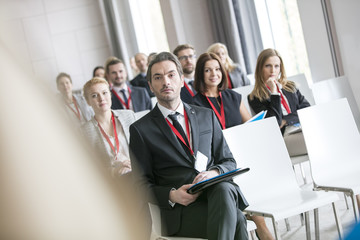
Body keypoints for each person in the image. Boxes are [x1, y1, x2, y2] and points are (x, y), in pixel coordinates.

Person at [130, 52, 249, 239]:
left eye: (171, 75)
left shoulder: (206, 115)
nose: (166, 82)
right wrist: (172, 195)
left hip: (215, 196)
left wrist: (214, 173)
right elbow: (139, 185)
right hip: (179, 211)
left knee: (224, 189)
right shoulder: (140, 130)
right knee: (238, 220)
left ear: (182, 79)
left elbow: (228, 160)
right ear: (151, 86)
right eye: (158, 77)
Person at [248, 48, 310, 156]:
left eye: (276, 66)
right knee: (315, 137)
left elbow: (307, 110)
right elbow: (275, 123)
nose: (273, 70)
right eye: (268, 66)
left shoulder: (290, 86)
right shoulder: (255, 97)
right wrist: (274, 93)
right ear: (260, 69)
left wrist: (286, 120)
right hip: (283, 138)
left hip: (301, 128)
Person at [82, 77, 136, 177]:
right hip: (115, 183)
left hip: (138, 174)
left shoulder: (129, 116)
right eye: (94, 95)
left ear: (110, 95)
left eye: (104, 93)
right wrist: (114, 171)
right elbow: (88, 168)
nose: (101, 98)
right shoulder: (85, 132)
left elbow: (144, 150)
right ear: (88, 101)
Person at [192, 53, 251, 128]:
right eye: (207, 70)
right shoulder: (194, 104)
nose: (214, 74)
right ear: (200, 74)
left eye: (217, 69)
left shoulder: (233, 96)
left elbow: (250, 124)